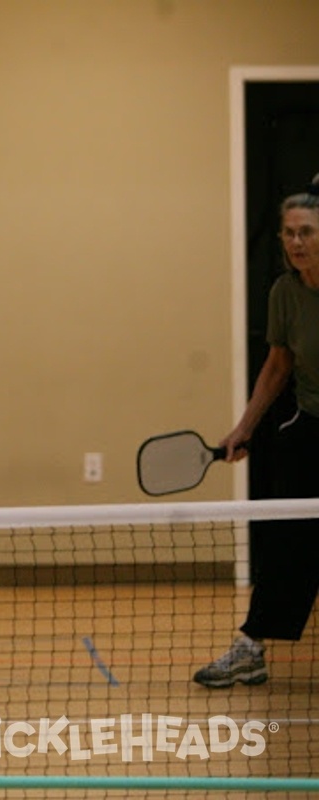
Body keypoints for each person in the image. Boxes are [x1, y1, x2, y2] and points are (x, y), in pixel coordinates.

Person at [193, 176, 319, 689]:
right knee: (286, 538)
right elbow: (278, 364)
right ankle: (252, 649)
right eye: (289, 233)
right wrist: (242, 428)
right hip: (312, 426)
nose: (296, 242)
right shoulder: (285, 292)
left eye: (307, 232)